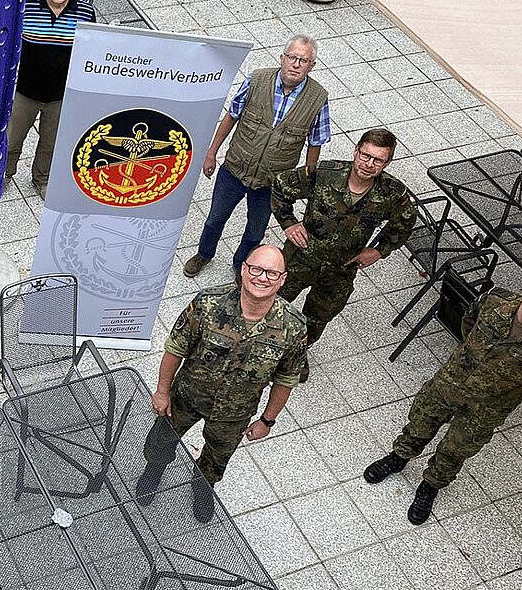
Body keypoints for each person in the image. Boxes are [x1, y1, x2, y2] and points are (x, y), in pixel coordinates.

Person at [365, 270, 522, 524]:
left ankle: (430, 486)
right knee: (420, 423)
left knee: (456, 449)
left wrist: (506, 388)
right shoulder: (494, 301)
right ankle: (398, 457)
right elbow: (468, 322)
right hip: (450, 382)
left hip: (486, 409)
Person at [137, 245, 307, 522]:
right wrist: (162, 391)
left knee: (217, 457)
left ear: (283, 279)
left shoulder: (293, 327)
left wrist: (267, 420)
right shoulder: (207, 303)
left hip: (234, 415)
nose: (263, 278)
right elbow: (175, 349)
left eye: (272, 273)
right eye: (256, 269)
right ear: (243, 269)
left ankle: (203, 486)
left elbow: (286, 379)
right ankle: (154, 469)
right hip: (186, 398)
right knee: (162, 439)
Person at [184, 35, 331, 278]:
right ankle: (204, 254)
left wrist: (307, 180)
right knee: (214, 219)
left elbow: (315, 142)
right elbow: (232, 115)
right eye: (292, 57)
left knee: (255, 230)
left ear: (311, 66)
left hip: (272, 183)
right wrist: (211, 153)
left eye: (303, 60)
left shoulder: (318, 98)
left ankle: (242, 266)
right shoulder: (257, 79)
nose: (295, 64)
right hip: (234, 169)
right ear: (282, 58)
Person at [271, 127, 416, 369]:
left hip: (339, 271)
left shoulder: (392, 193)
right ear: (356, 151)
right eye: (365, 156)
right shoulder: (325, 174)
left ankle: (295, 356)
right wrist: (289, 223)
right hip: (300, 258)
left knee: (317, 318)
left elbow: (405, 223)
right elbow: (280, 186)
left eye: (378, 160)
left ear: (387, 163)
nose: (369, 164)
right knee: (272, 299)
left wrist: (379, 250)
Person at [5, 0, 96, 199]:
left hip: (60, 95)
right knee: (12, 140)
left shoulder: (86, 14)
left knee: (50, 144)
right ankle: (4, 174)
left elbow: (89, 54)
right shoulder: (25, 6)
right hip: (25, 92)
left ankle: (41, 179)